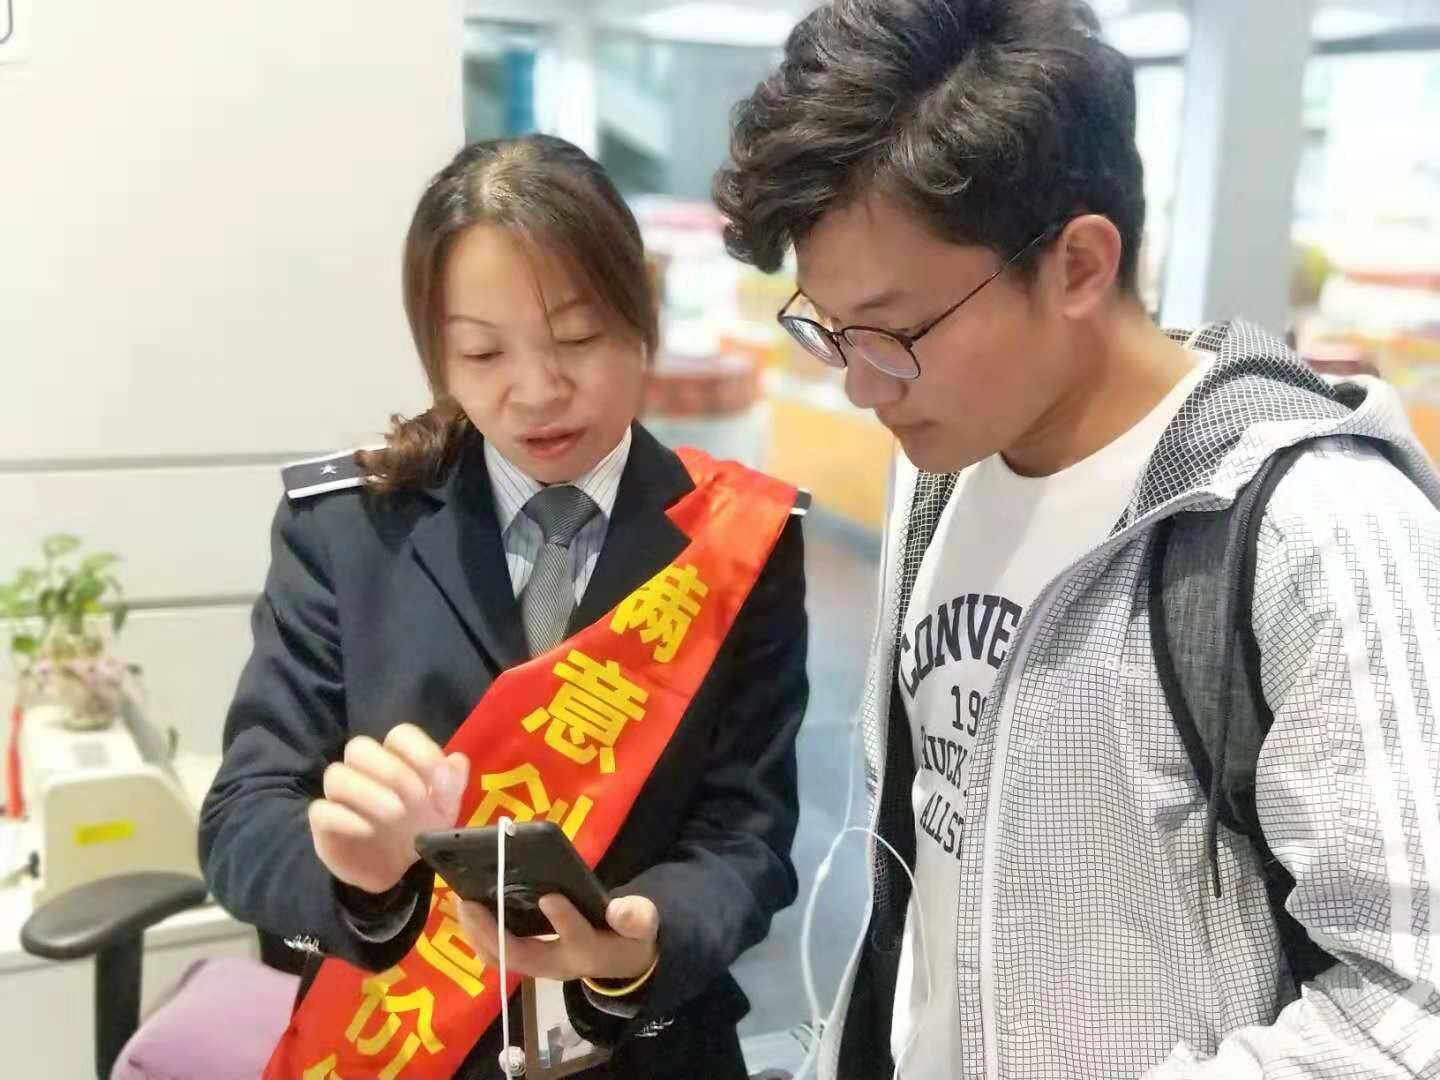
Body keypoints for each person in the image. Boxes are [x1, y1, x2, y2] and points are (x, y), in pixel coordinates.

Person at [714, 2, 1440, 1078]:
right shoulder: (944, 463)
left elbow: (1411, 1006)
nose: (865, 386)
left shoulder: (1313, 532)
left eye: (896, 331)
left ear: (1080, 265)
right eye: (832, 330)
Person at [200, 134, 809, 1080]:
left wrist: (643, 938)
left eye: (577, 339)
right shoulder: (348, 531)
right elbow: (242, 818)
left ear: (639, 318)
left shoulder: (739, 540)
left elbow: (747, 840)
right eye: (483, 352)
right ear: (438, 354)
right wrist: (356, 877)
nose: (536, 391)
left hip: (648, 1050)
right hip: (403, 1045)